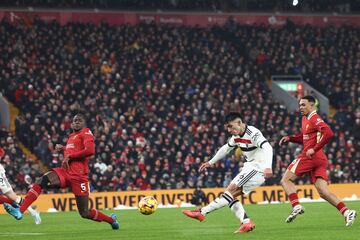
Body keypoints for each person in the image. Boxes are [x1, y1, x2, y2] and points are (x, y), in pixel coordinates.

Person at [4, 113, 119, 229]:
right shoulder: (72, 136)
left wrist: (71, 156)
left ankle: (111, 220)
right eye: (74, 121)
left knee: (84, 213)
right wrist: (63, 148)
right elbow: (73, 150)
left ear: (84, 124)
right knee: (40, 182)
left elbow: (90, 150)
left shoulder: (86, 132)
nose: (76, 122)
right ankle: (20, 211)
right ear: (71, 123)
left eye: (79, 120)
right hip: (64, 172)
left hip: (79, 177)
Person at [182, 112, 273, 234]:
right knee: (229, 195)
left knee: (231, 189)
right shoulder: (236, 136)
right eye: (227, 127)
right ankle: (246, 222)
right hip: (250, 166)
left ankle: (201, 212)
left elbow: (268, 148)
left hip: (258, 168)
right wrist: (210, 162)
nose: (229, 130)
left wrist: (268, 167)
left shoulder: (253, 133)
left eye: (231, 126)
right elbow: (226, 148)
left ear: (239, 123)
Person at [279, 95, 357, 226]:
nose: (300, 107)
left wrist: (314, 149)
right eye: (299, 105)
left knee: (285, 180)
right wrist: (290, 138)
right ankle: (347, 212)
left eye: (303, 105)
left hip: (310, 156)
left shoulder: (315, 118)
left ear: (312, 105)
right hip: (319, 158)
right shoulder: (305, 119)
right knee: (323, 191)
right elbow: (305, 138)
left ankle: (296, 206)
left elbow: (329, 133)